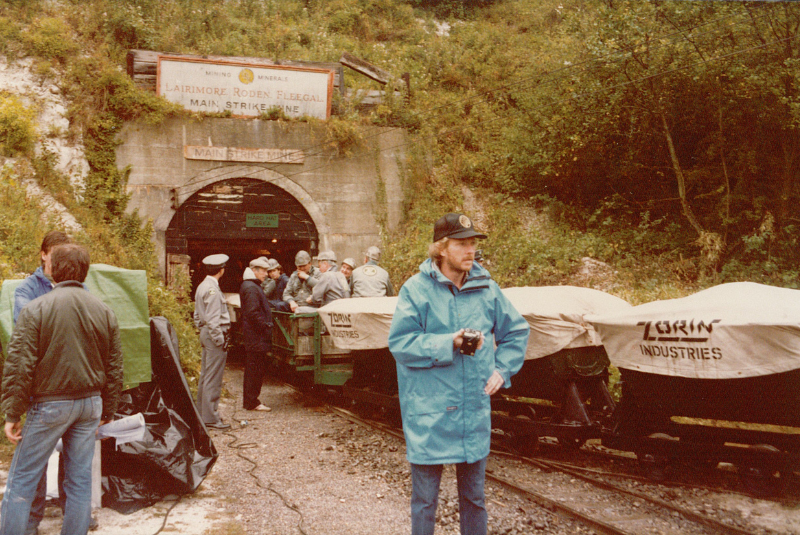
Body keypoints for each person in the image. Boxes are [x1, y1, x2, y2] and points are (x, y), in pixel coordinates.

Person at [387, 213, 529, 535]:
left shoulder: (487, 289)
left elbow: (517, 331)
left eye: (473, 244)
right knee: (425, 500)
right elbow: (400, 343)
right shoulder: (416, 290)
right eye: (462, 244)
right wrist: (447, 342)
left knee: (474, 499)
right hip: (430, 411)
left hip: (471, 410)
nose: (470, 251)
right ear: (441, 248)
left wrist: (502, 370)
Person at [1, 244, 123, 535]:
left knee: (22, 479)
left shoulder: (35, 309)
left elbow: (20, 366)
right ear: (85, 271)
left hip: (49, 406)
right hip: (90, 405)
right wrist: (108, 409)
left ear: (52, 269)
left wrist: (12, 412)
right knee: (80, 482)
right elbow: (115, 367)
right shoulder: (104, 310)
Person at [12, 231, 100, 534]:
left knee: (73, 471)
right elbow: (24, 350)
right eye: (58, 253)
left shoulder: (78, 289)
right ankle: (29, 521)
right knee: (33, 467)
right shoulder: (26, 291)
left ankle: (74, 516)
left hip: (69, 391)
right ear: (44, 254)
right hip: (45, 392)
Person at [194, 253, 232, 430]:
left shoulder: (202, 286)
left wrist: (202, 329)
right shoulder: (213, 290)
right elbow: (213, 318)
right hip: (214, 334)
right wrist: (219, 339)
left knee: (205, 375)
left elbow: (197, 315)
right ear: (222, 270)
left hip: (205, 332)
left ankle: (202, 414)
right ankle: (211, 418)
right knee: (213, 377)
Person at [239, 258, 273, 412]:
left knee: (253, 368)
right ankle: (252, 402)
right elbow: (253, 312)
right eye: (264, 271)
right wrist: (265, 326)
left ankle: (250, 400)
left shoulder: (250, 285)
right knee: (255, 369)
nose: (266, 274)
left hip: (253, 336)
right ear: (255, 270)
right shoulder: (252, 288)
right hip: (256, 336)